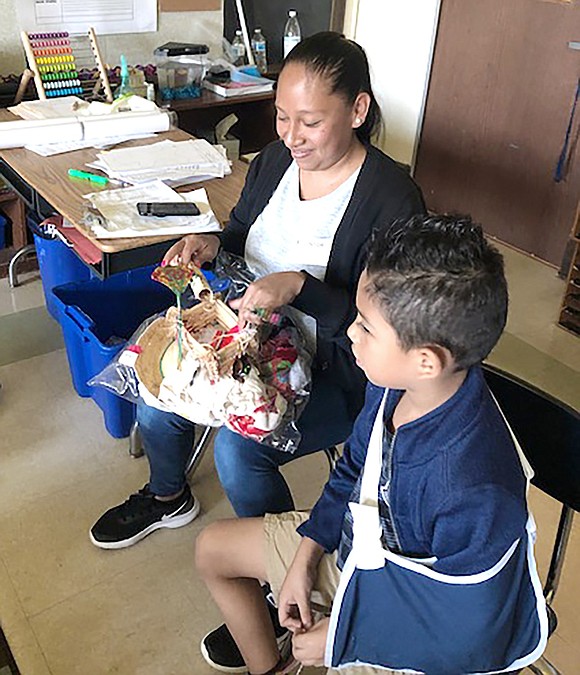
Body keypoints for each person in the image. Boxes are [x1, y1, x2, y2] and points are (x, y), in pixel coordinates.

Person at [90, 30, 423, 669]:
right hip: (250, 340)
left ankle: (281, 588)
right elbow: (242, 234)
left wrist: (301, 287)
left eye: (309, 121)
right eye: (280, 116)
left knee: (244, 450)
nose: (291, 135)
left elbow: (392, 325)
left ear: (357, 111)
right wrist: (212, 245)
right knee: (160, 391)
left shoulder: (392, 198)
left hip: (335, 370)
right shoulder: (273, 161)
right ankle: (167, 497)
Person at [194, 214, 548, 675]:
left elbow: (468, 633)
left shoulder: (473, 487)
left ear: (425, 361)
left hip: (417, 622)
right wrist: (307, 552)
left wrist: (344, 635)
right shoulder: (392, 383)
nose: (351, 335)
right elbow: (354, 470)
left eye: (365, 327)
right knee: (213, 550)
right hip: (362, 552)